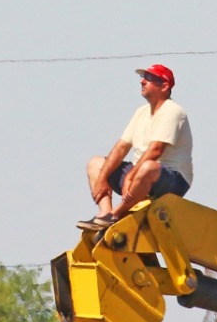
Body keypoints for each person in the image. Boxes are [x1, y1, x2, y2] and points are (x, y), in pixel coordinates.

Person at [78, 63, 193, 231]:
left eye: (149, 78)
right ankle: (105, 215)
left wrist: (131, 177)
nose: (142, 81)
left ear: (164, 86)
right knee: (96, 163)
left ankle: (117, 214)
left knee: (148, 167)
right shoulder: (141, 112)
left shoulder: (173, 111)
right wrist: (103, 178)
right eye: (143, 77)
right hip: (139, 175)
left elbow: (156, 150)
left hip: (172, 180)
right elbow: (121, 147)